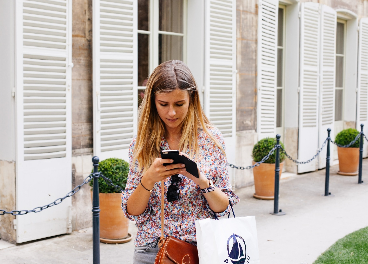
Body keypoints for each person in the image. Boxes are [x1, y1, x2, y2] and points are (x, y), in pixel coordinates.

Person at [121, 60, 239, 263]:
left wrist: (200, 180)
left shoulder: (211, 140)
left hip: (201, 251)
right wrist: (148, 180)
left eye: (179, 104)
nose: (171, 113)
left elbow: (224, 207)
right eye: (163, 104)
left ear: (192, 100)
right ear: (152, 102)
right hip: (152, 250)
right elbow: (132, 211)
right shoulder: (141, 144)